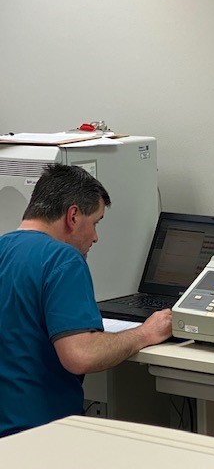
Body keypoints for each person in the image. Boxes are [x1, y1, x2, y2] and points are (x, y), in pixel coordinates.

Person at [0, 163, 172, 437]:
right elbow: (81, 355)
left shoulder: (3, 248)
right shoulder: (62, 259)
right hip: (38, 433)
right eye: (95, 223)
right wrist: (145, 333)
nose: (95, 237)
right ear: (73, 216)